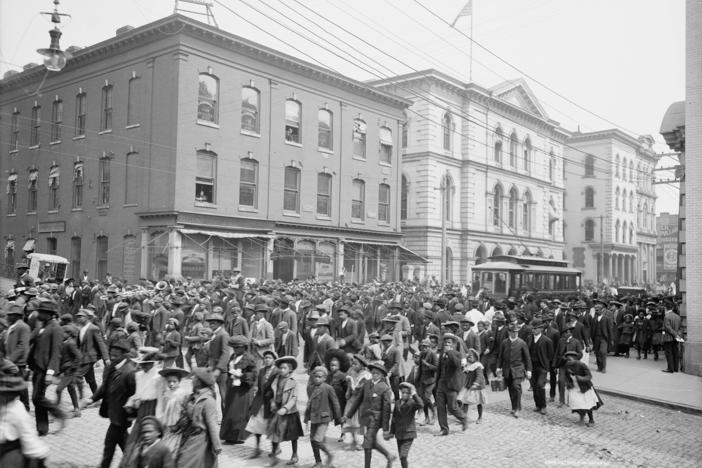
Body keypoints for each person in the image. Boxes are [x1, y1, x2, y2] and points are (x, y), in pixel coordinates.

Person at [87, 339, 137, 468]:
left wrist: (130, 416)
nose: (112, 357)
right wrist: (91, 399)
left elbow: (135, 395)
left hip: (121, 416)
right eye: (111, 354)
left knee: (109, 445)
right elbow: (104, 387)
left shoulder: (130, 372)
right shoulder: (112, 367)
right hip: (114, 414)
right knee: (124, 443)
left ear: (124, 355)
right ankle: (136, 463)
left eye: (116, 355)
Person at [343, 361, 396, 468]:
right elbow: (358, 400)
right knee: (372, 441)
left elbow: (386, 410)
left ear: (382, 375)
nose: (375, 375)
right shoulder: (366, 384)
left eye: (377, 373)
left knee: (367, 442)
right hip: (365, 417)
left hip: (376, 420)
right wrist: (348, 415)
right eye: (373, 373)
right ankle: (389, 455)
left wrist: (386, 428)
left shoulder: (384, 388)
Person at [28, 298, 67, 436]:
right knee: (38, 398)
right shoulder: (42, 326)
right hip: (36, 367)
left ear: (50, 314)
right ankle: (42, 428)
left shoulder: (56, 328)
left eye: (42, 312)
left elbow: (56, 353)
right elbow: (30, 340)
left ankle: (59, 414)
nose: (39, 313)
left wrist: (50, 373)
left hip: (45, 369)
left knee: (36, 398)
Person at [174, 368, 222, 468]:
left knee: (185, 463)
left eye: (194, 377)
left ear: (200, 381)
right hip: (188, 435)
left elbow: (212, 424)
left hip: (200, 439)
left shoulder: (208, 400)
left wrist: (217, 445)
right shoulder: (192, 396)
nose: (192, 379)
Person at [0, 374, 50, 467]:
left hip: (11, 453)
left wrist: (38, 454)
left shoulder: (17, 410)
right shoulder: (3, 407)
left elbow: (27, 434)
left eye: (3, 394)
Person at [219, 335, 257, 444]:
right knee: (229, 410)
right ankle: (228, 435)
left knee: (239, 413)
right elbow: (228, 368)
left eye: (237, 348)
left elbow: (254, 375)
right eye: (234, 348)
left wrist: (241, 375)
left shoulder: (249, 358)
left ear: (244, 347)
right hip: (232, 387)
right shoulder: (233, 357)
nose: (235, 350)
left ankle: (238, 436)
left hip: (243, 389)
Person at [268, 356, 304, 466]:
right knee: (274, 433)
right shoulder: (275, 380)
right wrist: (272, 402)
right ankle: (274, 455)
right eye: (280, 368)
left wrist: (285, 408)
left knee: (293, 434)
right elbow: (270, 393)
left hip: (289, 412)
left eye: (284, 368)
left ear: (290, 370)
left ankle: (294, 455)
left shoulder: (293, 382)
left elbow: (294, 398)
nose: (281, 370)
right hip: (277, 410)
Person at [305, 366, 342, 468]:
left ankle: (329, 455)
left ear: (324, 378)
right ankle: (318, 462)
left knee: (317, 440)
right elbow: (309, 404)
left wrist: (339, 417)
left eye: (319, 377)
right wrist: (306, 418)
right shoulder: (311, 388)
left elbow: (335, 403)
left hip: (324, 418)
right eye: (315, 376)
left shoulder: (328, 388)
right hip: (314, 418)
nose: (317, 378)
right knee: (313, 441)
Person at [245, 350, 278, 459]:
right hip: (260, 402)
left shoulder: (277, 372)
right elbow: (258, 386)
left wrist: (273, 399)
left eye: (269, 358)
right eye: (265, 358)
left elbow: (278, 387)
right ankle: (257, 448)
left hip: (271, 403)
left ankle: (274, 449)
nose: (267, 360)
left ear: (274, 360)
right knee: (257, 426)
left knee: (272, 427)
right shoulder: (262, 371)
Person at [497, 320, 532, 418]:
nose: (514, 334)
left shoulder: (522, 343)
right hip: (507, 369)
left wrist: (529, 370)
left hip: (518, 369)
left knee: (516, 386)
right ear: (509, 332)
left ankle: (517, 408)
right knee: (510, 388)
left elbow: (527, 358)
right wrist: (498, 367)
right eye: (512, 332)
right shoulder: (504, 343)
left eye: (516, 332)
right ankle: (513, 407)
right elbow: (500, 357)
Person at [434, 333, 468, 435]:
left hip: (452, 385)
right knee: (440, 407)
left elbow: (457, 364)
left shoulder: (457, 354)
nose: (446, 344)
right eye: (445, 342)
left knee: (452, 407)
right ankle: (444, 429)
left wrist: (450, 352)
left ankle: (463, 418)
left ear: (453, 345)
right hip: (441, 384)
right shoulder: (441, 355)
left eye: (449, 343)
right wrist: (437, 384)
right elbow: (439, 370)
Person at [389, 382, 423, 468]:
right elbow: (394, 418)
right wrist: (391, 432)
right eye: (403, 392)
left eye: (407, 393)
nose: (404, 395)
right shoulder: (397, 403)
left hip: (408, 434)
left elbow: (421, 404)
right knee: (402, 457)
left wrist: (414, 393)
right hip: (399, 434)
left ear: (410, 394)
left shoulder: (412, 403)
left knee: (403, 456)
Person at [3, 304, 31, 411]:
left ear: (16, 316)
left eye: (10, 315)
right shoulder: (12, 327)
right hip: (11, 363)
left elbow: (22, 346)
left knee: (22, 389)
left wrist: (9, 360)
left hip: (18, 364)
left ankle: (26, 409)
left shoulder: (23, 327)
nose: (7, 317)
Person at [564, 351, 603, 427]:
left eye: (570, 359)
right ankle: (581, 418)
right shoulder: (567, 365)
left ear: (575, 358)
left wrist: (580, 378)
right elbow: (566, 375)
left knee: (587, 404)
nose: (568, 361)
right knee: (577, 404)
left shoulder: (582, 365)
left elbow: (589, 376)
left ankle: (591, 420)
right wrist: (568, 383)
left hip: (584, 388)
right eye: (567, 359)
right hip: (574, 387)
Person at [156, 367, 190, 452]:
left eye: (174, 381)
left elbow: (186, 410)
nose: (171, 384)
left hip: (178, 424)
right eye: (169, 381)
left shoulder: (183, 394)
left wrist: (181, 423)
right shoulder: (166, 394)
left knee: (176, 446)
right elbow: (164, 409)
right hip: (168, 424)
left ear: (179, 381)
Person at [343, 354, 371, 450]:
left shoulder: (366, 376)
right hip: (352, 401)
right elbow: (349, 389)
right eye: (353, 363)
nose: (353, 365)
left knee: (359, 423)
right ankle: (353, 440)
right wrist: (348, 391)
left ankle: (362, 442)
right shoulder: (352, 373)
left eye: (356, 364)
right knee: (350, 421)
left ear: (362, 365)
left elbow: (361, 390)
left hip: (361, 402)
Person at [204, 312, 230, 412]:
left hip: (220, 371)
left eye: (213, 323)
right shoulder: (215, 334)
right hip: (212, 368)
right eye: (210, 323)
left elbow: (225, 354)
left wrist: (219, 369)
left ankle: (225, 418)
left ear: (220, 324)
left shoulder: (223, 334)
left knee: (224, 395)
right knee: (210, 391)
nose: (211, 325)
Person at [56, 324, 83, 418]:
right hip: (66, 370)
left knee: (58, 390)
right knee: (71, 389)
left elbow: (79, 356)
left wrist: (72, 367)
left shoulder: (70, 343)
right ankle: (77, 410)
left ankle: (56, 411)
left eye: (63, 333)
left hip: (69, 371)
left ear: (68, 334)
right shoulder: (65, 342)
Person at [527, 319, 554, 415]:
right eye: (532, 328)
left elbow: (551, 355)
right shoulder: (529, 338)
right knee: (534, 386)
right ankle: (537, 405)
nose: (533, 330)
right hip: (532, 366)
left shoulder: (547, 340)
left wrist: (549, 367)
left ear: (541, 329)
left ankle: (543, 406)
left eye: (535, 328)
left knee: (540, 385)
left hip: (542, 367)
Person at [457, 348, 487, 424]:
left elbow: (479, 376)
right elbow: (467, 372)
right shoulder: (470, 365)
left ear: (476, 358)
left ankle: (480, 417)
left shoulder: (478, 365)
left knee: (479, 402)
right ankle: (464, 417)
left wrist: (476, 384)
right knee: (465, 401)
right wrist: (463, 368)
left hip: (477, 387)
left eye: (471, 356)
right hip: (469, 385)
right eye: (468, 356)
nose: (469, 358)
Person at [416, 338, 437, 426]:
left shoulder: (433, 354)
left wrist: (427, 364)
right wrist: (417, 378)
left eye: (425, 346)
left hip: (431, 380)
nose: (423, 348)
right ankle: (426, 417)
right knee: (422, 399)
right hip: (422, 379)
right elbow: (420, 368)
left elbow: (436, 368)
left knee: (427, 398)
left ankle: (434, 415)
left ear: (429, 346)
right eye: (422, 346)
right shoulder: (421, 354)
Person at [662, 300, 682, 373]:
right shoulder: (678, 317)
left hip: (668, 337)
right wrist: (677, 335)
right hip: (676, 338)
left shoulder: (666, 316)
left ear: (666, 308)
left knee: (669, 353)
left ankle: (670, 368)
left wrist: (674, 334)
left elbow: (667, 328)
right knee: (675, 352)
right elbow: (680, 328)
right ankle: (676, 368)